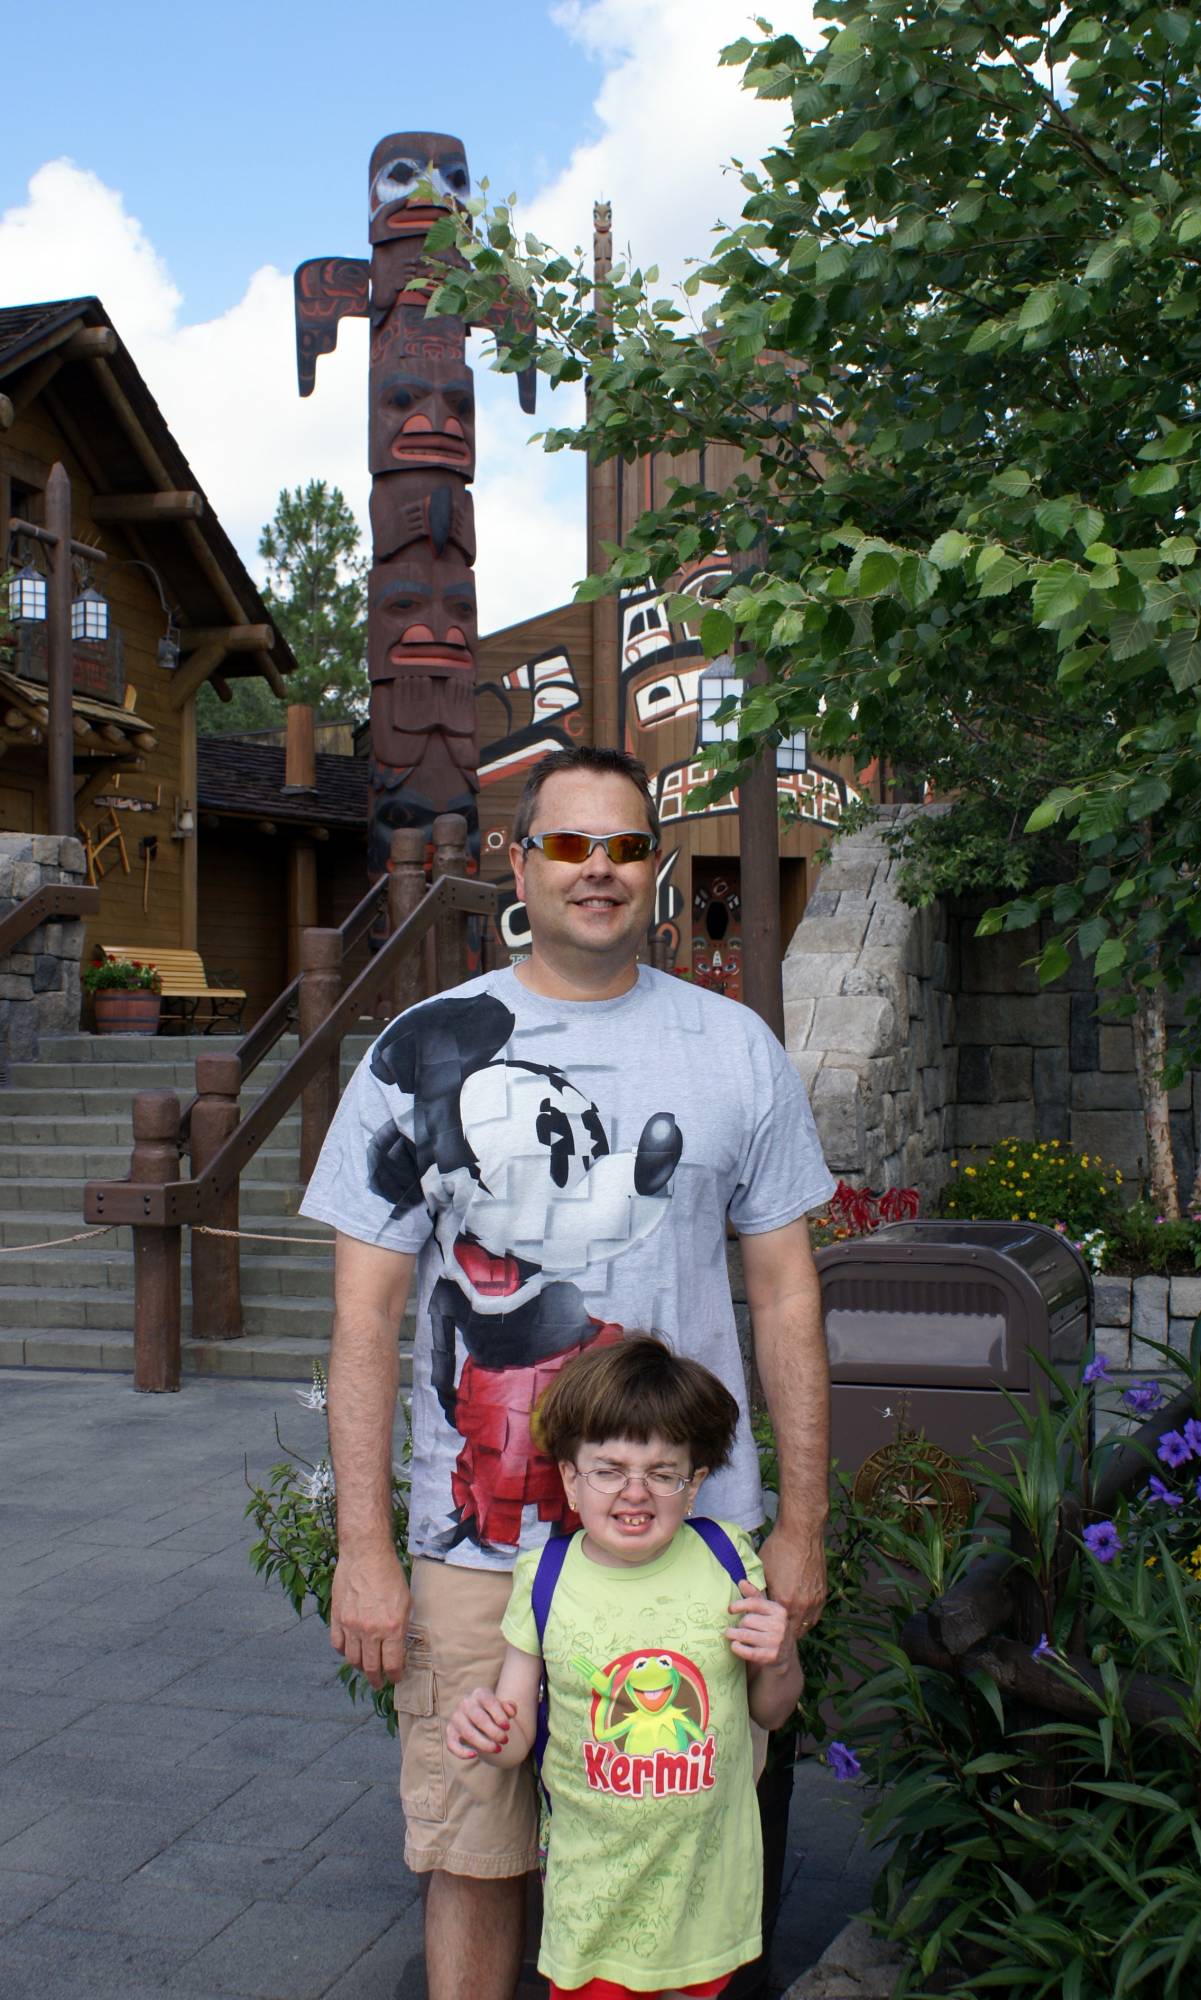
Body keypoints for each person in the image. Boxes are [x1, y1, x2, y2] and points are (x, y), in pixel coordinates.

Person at [299, 744, 835, 2000]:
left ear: (652, 866)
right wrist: (364, 1545)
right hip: (477, 1542)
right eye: (569, 844)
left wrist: (801, 1524)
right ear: (518, 860)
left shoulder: (734, 1049)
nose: (598, 870)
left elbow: (787, 1297)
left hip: (691, 1537)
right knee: (475, 1853)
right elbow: (366, 1321)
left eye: (625, 845)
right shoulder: (418, 1051)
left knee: (683, 1841)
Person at [446, 1336, 803, 2000]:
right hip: (594, 1892)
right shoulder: (545, 1578)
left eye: (662, 1472)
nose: (634, 1492)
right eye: (608, 1469)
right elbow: (518, 1729)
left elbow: (770, 1710)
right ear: (571, 1480)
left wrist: (779, 1657)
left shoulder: (727, 1559)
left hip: (707, 1887)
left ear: (693, 1483)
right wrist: (488, 1732)